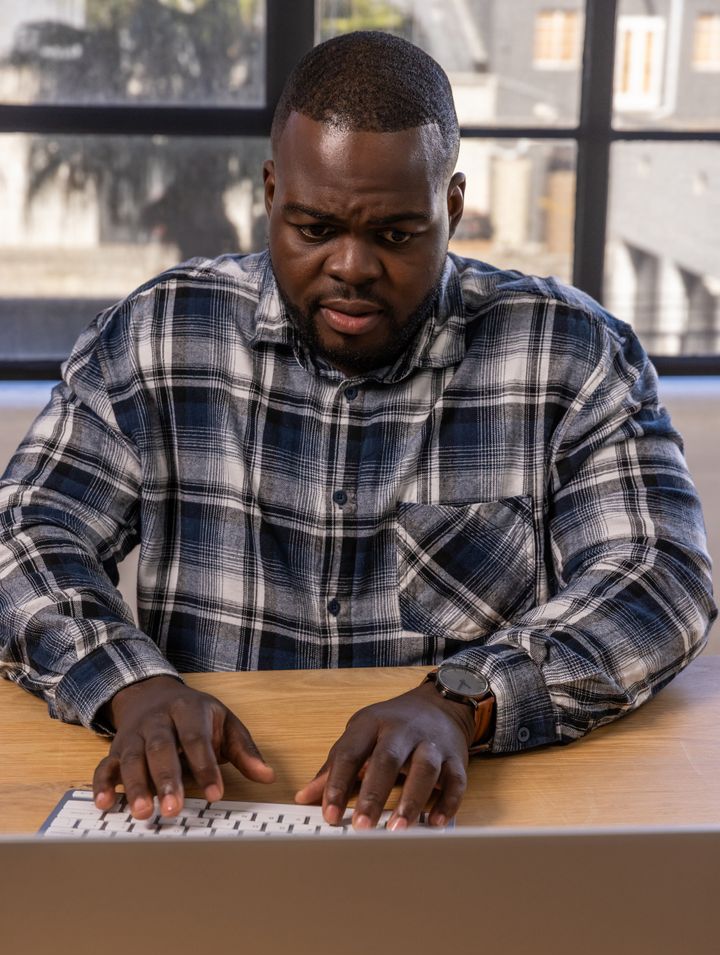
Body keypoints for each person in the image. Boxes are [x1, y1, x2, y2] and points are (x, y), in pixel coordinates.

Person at [0, 32, 715, 831]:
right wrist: (127, 683)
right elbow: (26, 530)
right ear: (271, 191)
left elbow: (662, 574)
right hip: (212, 811)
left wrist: (466, 698)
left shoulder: (571, 354)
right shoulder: (159, 334)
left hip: (454, 820)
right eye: (314, 227)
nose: (351, 267)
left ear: (450, 206)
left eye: (395, 235)